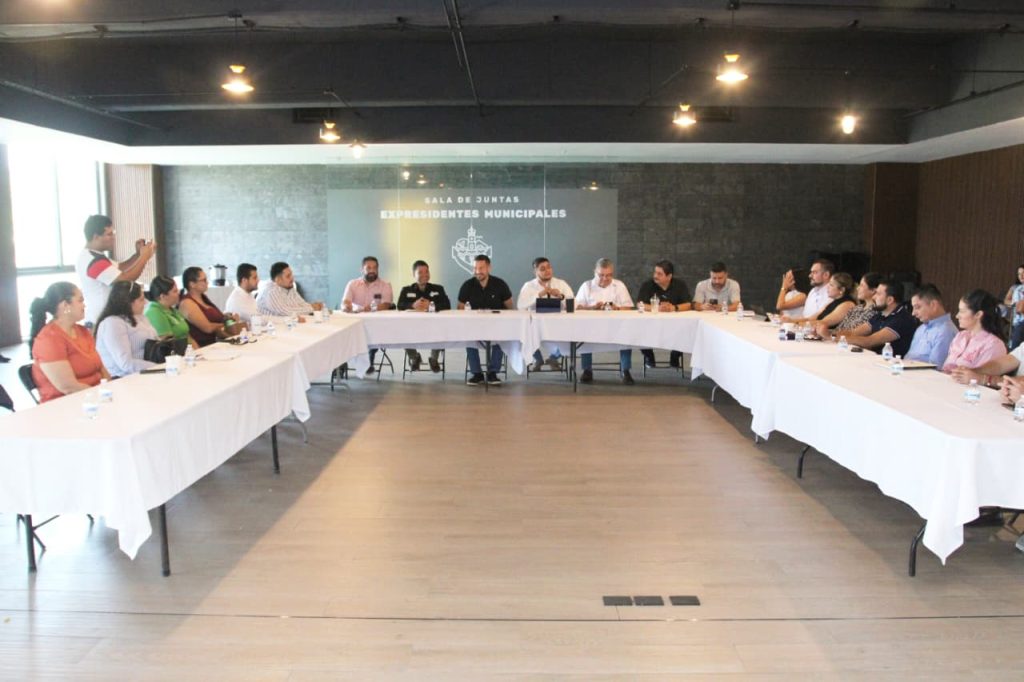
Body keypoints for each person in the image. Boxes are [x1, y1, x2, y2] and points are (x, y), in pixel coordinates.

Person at [28, 281, 108, 402]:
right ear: (65, 305)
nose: (84, 305)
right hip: (66, 404)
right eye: (80, 301)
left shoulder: (82, 331)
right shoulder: (49, 340)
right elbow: (69, 388)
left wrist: (109, 390)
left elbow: (102, 370)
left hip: (94, 396)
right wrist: (101, 396)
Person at [75, 214, 157, 326]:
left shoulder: (96, 255)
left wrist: (138, 254)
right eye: (109, 234)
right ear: (96, 237)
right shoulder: (91, 260)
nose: (113, 238)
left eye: (113, 233)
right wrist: (144, 257)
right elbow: (124, 279)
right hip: (100, 321)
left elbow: (121, 267)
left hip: (107, 318)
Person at [575, 258, 635, 385]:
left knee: (627, 336)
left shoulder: (619, 285)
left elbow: (629, 307)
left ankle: (625, 370)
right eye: (601, 275)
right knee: (584, 335)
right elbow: (577, 307)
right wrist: (592, 308)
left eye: (608, 275)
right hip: (591, 327)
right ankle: (587, 370)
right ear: (594, 272)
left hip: (616, 327)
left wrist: (617, 308)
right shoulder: (587, 286)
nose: (605, 278)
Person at [458, 254, 513, 386]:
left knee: (501, 338)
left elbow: (510, 307)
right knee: (468, 339)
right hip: (473, 325)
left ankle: (492, 373)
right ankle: (477, 374)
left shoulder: (500, 284)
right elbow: (460, 308)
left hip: (497, 325)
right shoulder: (467, 285)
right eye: (475, 268)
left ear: (489, 268)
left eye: (481, 268)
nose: (478, 271)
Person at [517, 257, 574, 372]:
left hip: (559, 324)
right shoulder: (529, 286)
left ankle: (553, 358)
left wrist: (560, 296)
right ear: (535, 271)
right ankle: (538, 359)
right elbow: (520, 305)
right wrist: (539, 294)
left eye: (549, 267)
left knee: (574, 337)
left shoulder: (561, 284)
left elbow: (572, 304)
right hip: (535, 326)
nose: (547, 271)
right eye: (542, 269)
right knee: (523, 333)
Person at [342, 256, 394, 374]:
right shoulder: (352, 284)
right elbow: (346, 302)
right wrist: (347, 307)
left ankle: (369, 358)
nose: (372, 271)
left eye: (375, 268)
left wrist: (371, 308)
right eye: (368, 268)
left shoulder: (385, 285)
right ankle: (341, 362)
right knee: (342, 334)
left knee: (373, 333)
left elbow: (387, 304)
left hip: (376, 325)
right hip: (354, 324)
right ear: (362, 269)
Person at [95, 280, 159, 376]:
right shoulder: (112, 323)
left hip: (147, 372)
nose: (146, 303)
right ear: (128, 302)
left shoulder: (140, 317)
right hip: (123, 378)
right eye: (141, 299)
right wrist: (158, 366)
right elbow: (126, 364)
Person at [397, 260, 450, 372]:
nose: (424, 275)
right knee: (402, 332)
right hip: (412, 327)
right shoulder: (406, 290)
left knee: (440, 330)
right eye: (420, 272)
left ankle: (434, 359)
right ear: (413, 274)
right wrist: (412, 305)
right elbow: (399, 305)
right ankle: (415, 357)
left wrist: (431, 305)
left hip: (433, 326)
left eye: (426, 271)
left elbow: (447, 305)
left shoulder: (438, 289)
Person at [636, 260, 691, 369]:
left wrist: (673, 308)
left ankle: (675, 357)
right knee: (638, 330)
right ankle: (649, 356)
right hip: (651, 324)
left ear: (669, 276)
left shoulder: (680, 285)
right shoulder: (647, 285)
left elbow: (689, 304)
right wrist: (656, 308)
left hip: (676, 325)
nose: (655, 276)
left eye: (659, 274)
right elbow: (639, 304)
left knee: (687, 331)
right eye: (655, 272)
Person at [842, 279, 918, 357]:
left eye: (878, 294)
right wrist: (837, 336)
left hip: (892, 363)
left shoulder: (902, 319)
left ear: (890, 300)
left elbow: (869, 341)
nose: (874, 297)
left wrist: (840, 339)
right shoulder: (880, 314)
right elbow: (853, 333)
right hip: (875, 360)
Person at [941, 289, 1007, 373]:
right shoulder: (960, 336)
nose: (957, 316)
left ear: (978, 314)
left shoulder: (993, 345)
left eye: (962, 311)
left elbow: (982, 376)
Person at [179, 266, 242, 347]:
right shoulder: (187, 303)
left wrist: (228, 317)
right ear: (192, 284)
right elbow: (207, 328)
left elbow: (216, 318)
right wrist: (226, 324)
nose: (207, 282)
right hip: (202, 347)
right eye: (204, 280)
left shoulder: (203, 298)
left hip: (217, 343)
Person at [905, 283, 958, 366]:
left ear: (933, 305)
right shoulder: (921, 329)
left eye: (917, 307)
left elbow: (935, 368)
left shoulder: (946, 331)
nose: (913, 313)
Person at [256, 261, 323, 318]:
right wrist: (312, 308)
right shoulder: (270, 291)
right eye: (288, 276)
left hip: (286, 325)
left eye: (291, 274)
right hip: (269, 328)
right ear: (278, 280)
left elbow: (301, 304)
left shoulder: (289, 287)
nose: (292, 278)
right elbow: (286, 312)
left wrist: (314, 306)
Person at [790, 272, 855, 330]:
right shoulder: (832, 302)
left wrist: (796, 324)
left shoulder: (847, 304)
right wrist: (790, 321)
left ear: (842, 290)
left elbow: (823, 323)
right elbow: (810, 319)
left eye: (831, 285)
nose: (827, 287)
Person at [145, 275, 196, 348]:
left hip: (189, 350)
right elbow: (167, 344)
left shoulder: (172, 309)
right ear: (163, 296)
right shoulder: (154, 312)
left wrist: (198, 351)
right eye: (175, 291)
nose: (178, 293)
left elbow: (188, 335)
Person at [1004, 265, 1024, 350]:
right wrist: (1015, 303)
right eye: (1019, 274)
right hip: (1016, 316)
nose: (1021, 276)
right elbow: (1006, 300)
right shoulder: (1015, 287)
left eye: (1023, 273)